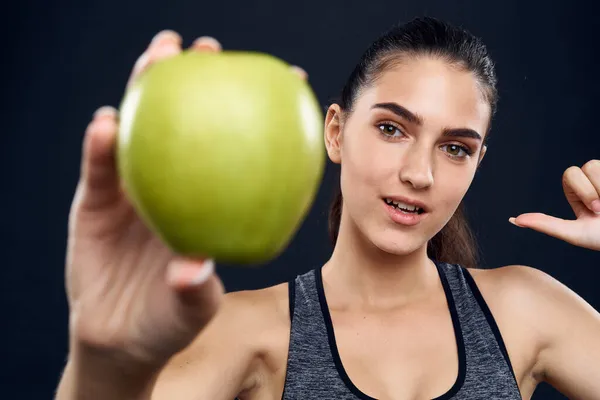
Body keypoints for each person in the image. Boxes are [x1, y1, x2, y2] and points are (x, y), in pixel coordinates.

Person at [55, 17, 600, 400]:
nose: (419, 173)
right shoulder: (247, 330)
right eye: (391, 128)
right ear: (335, 132)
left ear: (479, 160)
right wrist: (102, 359)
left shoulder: (528, 309)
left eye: (455, 147)